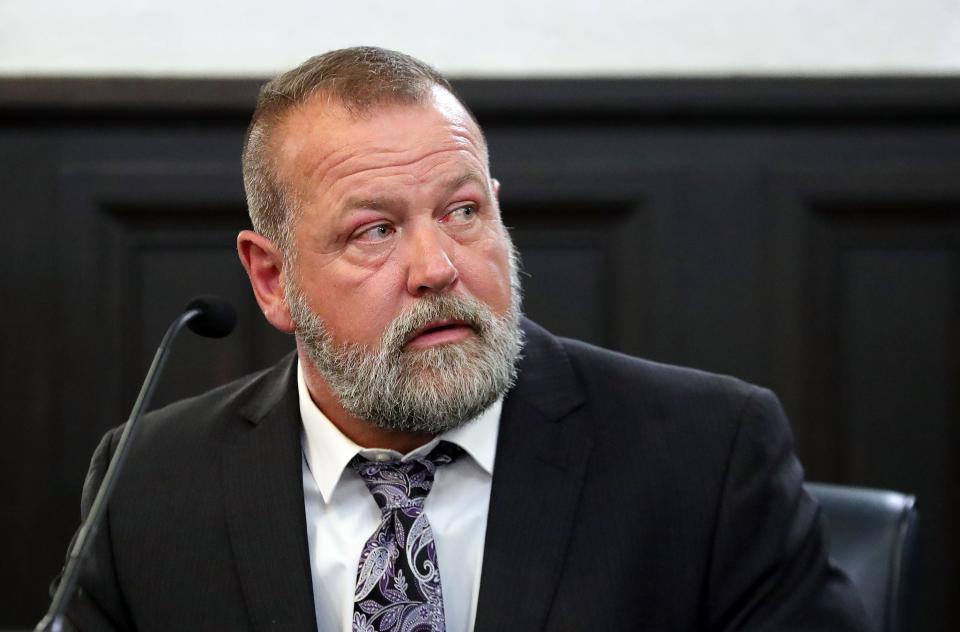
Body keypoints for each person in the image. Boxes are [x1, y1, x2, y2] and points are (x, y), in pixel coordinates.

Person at [57, 47, 868, 631]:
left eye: (463, 211)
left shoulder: (707, 455)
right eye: (374, 230)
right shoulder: (151, 484)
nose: (437, 266)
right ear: (273, 281)